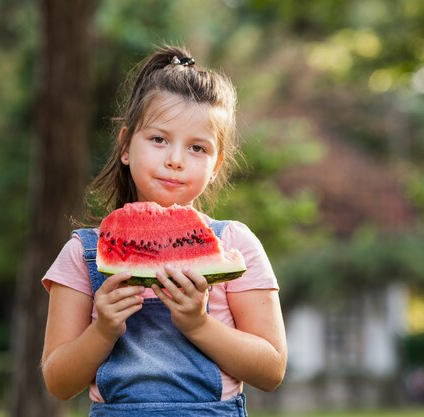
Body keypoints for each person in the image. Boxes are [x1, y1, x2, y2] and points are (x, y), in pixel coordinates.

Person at [41, 45, 287, 416]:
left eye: (197, 148)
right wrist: (103, 329)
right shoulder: (85, 253)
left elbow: (271, 370)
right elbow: (58, 383)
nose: (175, 159)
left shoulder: (235, 244)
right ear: (125, 145)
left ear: (217, 164)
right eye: (159, 139)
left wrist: (198, 323)